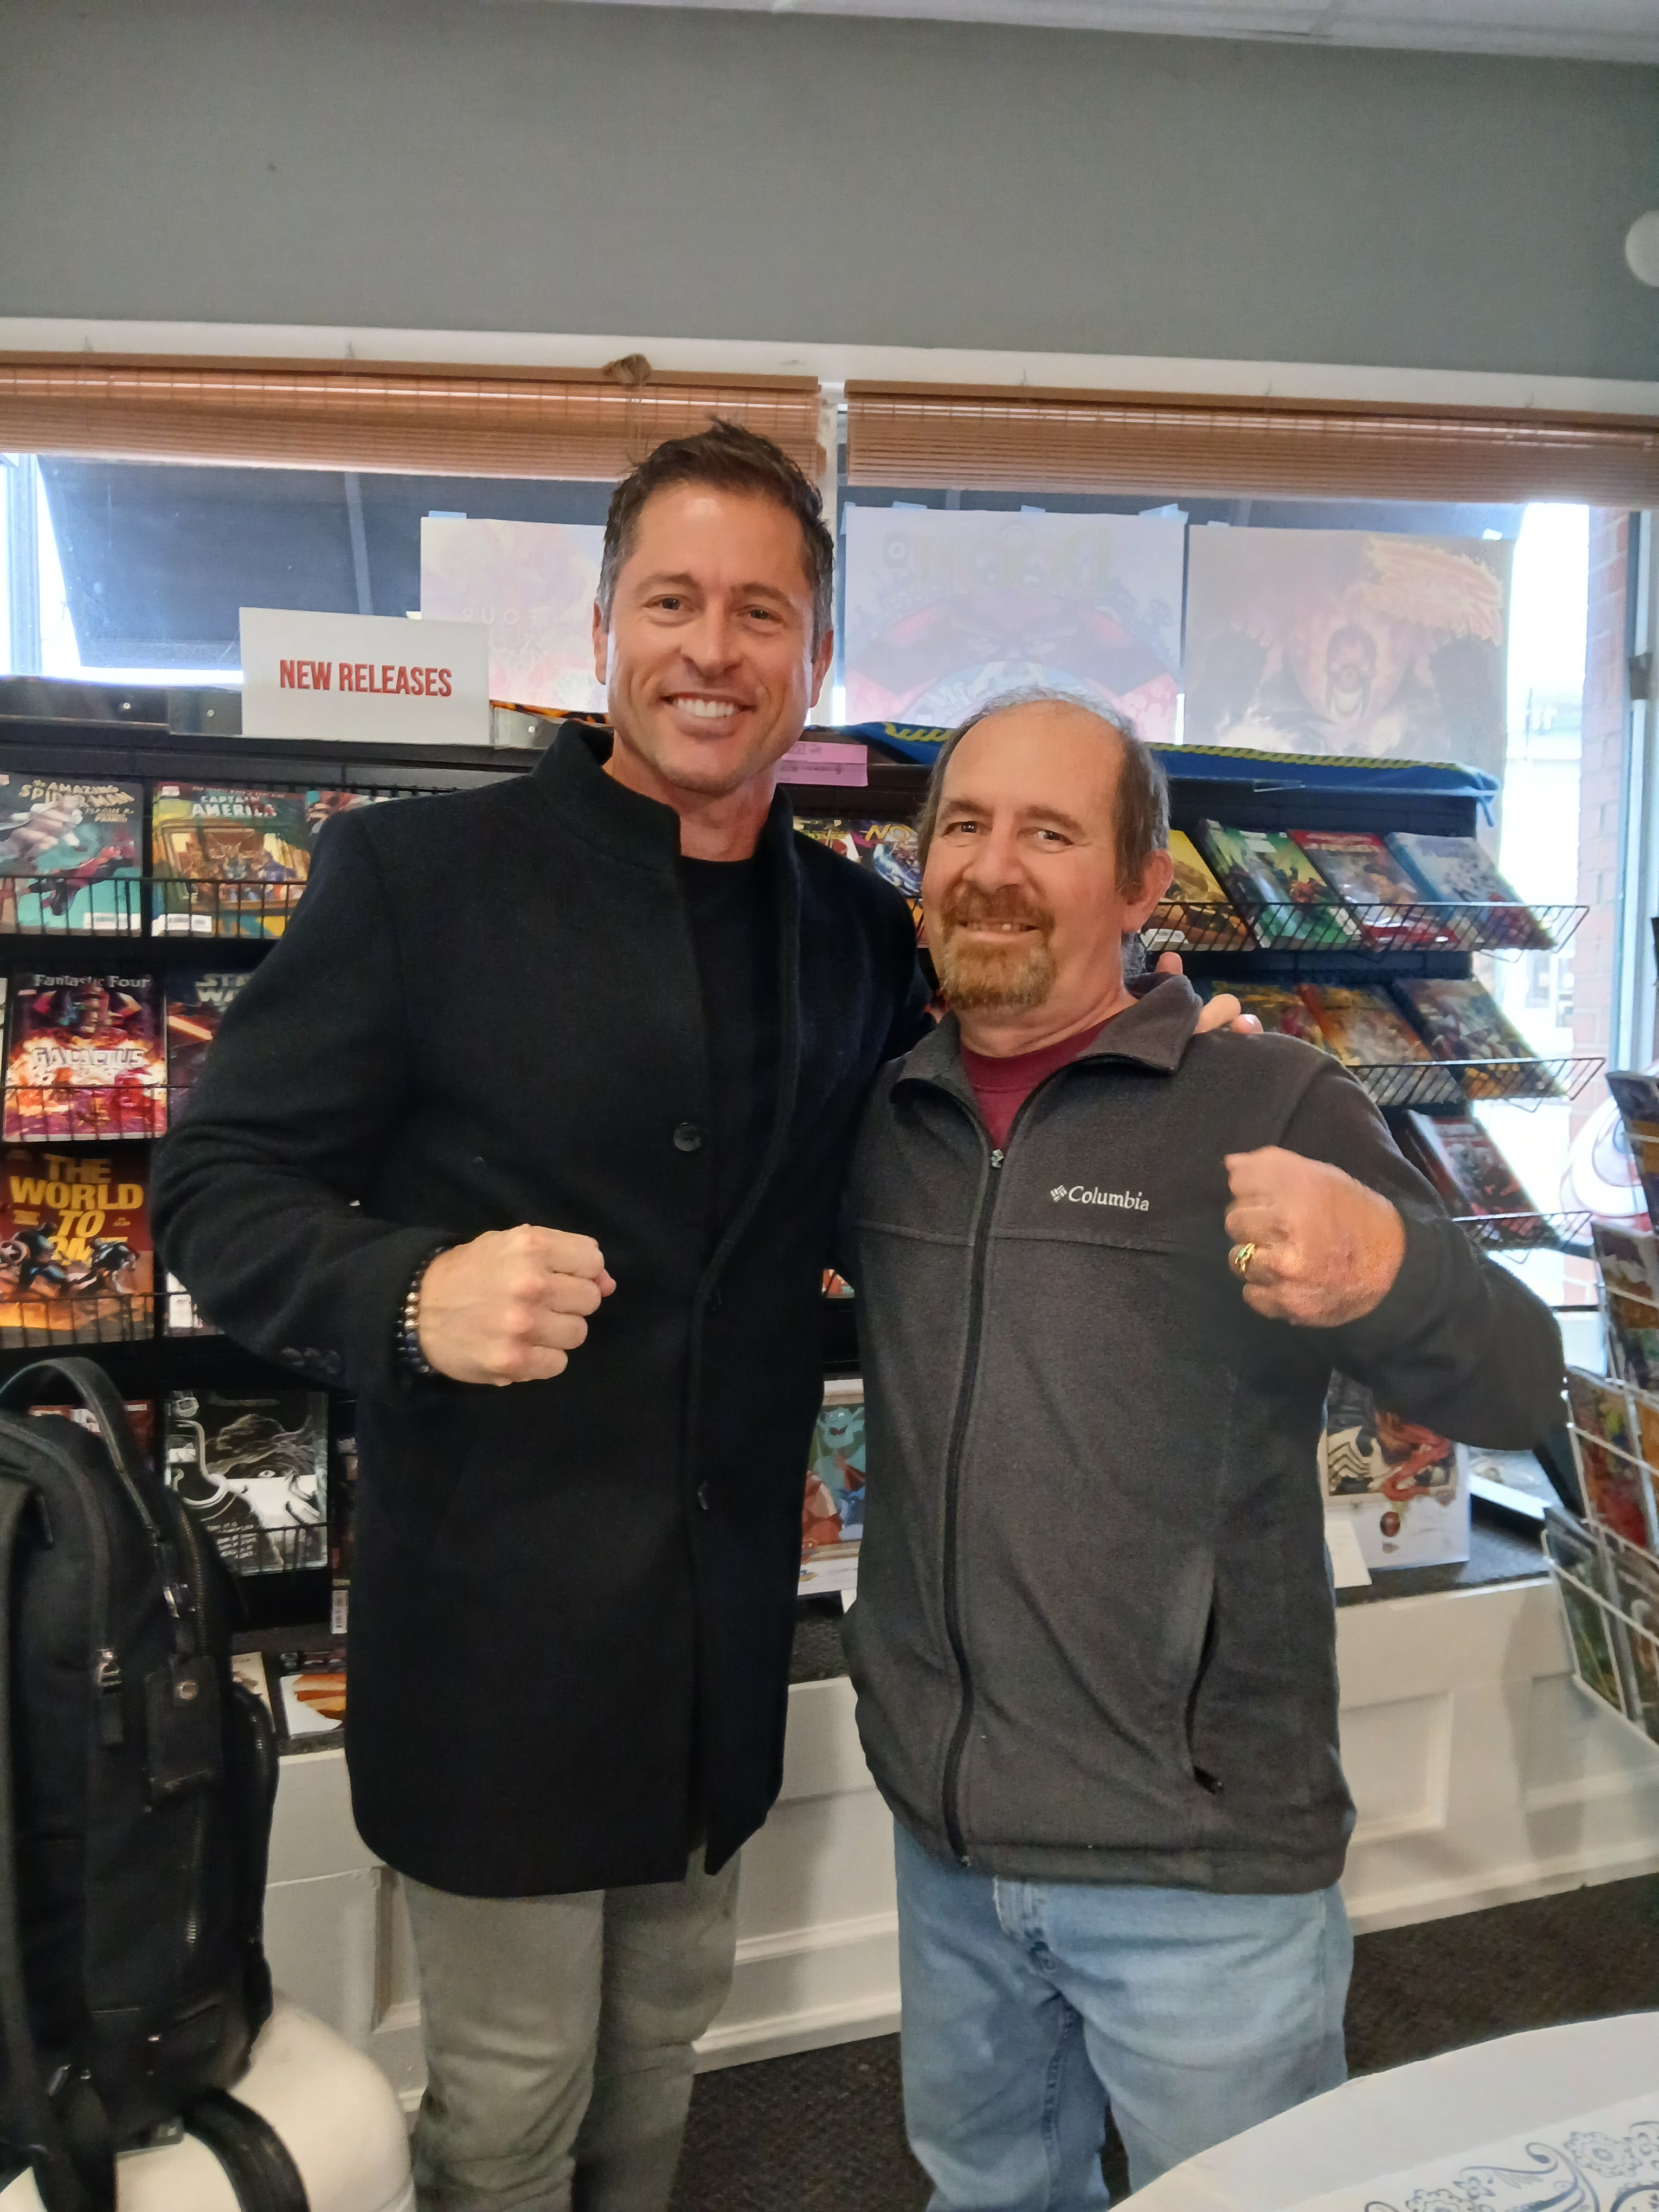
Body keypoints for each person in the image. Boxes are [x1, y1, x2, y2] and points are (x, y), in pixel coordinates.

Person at [151, 428, 1243, 2212]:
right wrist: (406, 1292)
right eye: (671, 602)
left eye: (759, 612)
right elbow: (212, 1186)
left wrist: (1186, 1052)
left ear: (813, 654)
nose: (712, 650)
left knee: (660, 2057)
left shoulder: (855, 928)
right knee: (509, 2103)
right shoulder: (416, 881)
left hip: (716, 1655)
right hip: (494, 1644)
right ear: (602, 630)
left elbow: (1003, 1067)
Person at [839, 691, 1565, 2208]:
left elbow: (1519, 1382)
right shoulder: (884, 1109)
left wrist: (1394, 1271)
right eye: (965, 825)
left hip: (1198, 1871)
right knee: (984, 2193)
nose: (992, 866)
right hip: (949, 1848)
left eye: (1049, 832)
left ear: (1139, 886)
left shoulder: (1271, 1098)